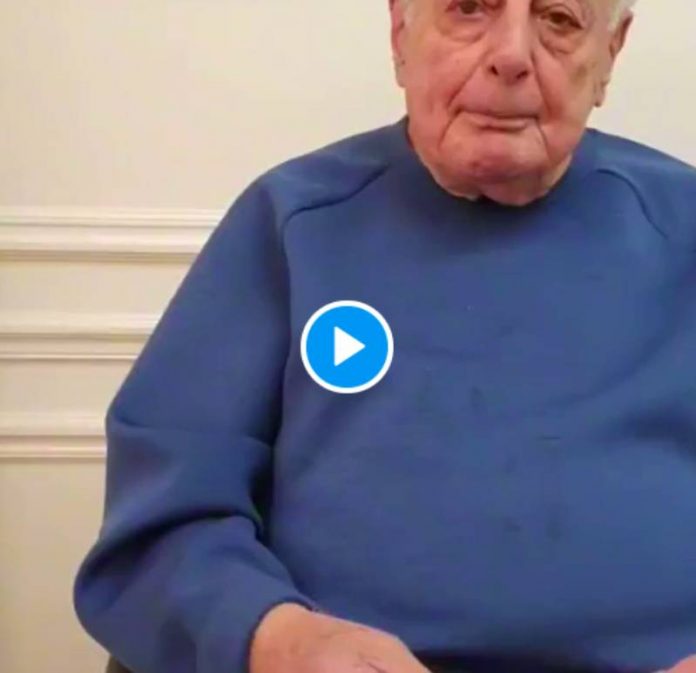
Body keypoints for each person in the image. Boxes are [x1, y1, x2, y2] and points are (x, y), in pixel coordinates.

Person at [73, 1, 696, 673]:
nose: (512, 55)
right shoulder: (292, 222)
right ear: (401, 31)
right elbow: (162, 529)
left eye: (559, 19)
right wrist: (278, 639)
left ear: (611, 53)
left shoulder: (683, 226)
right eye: (469, 8)